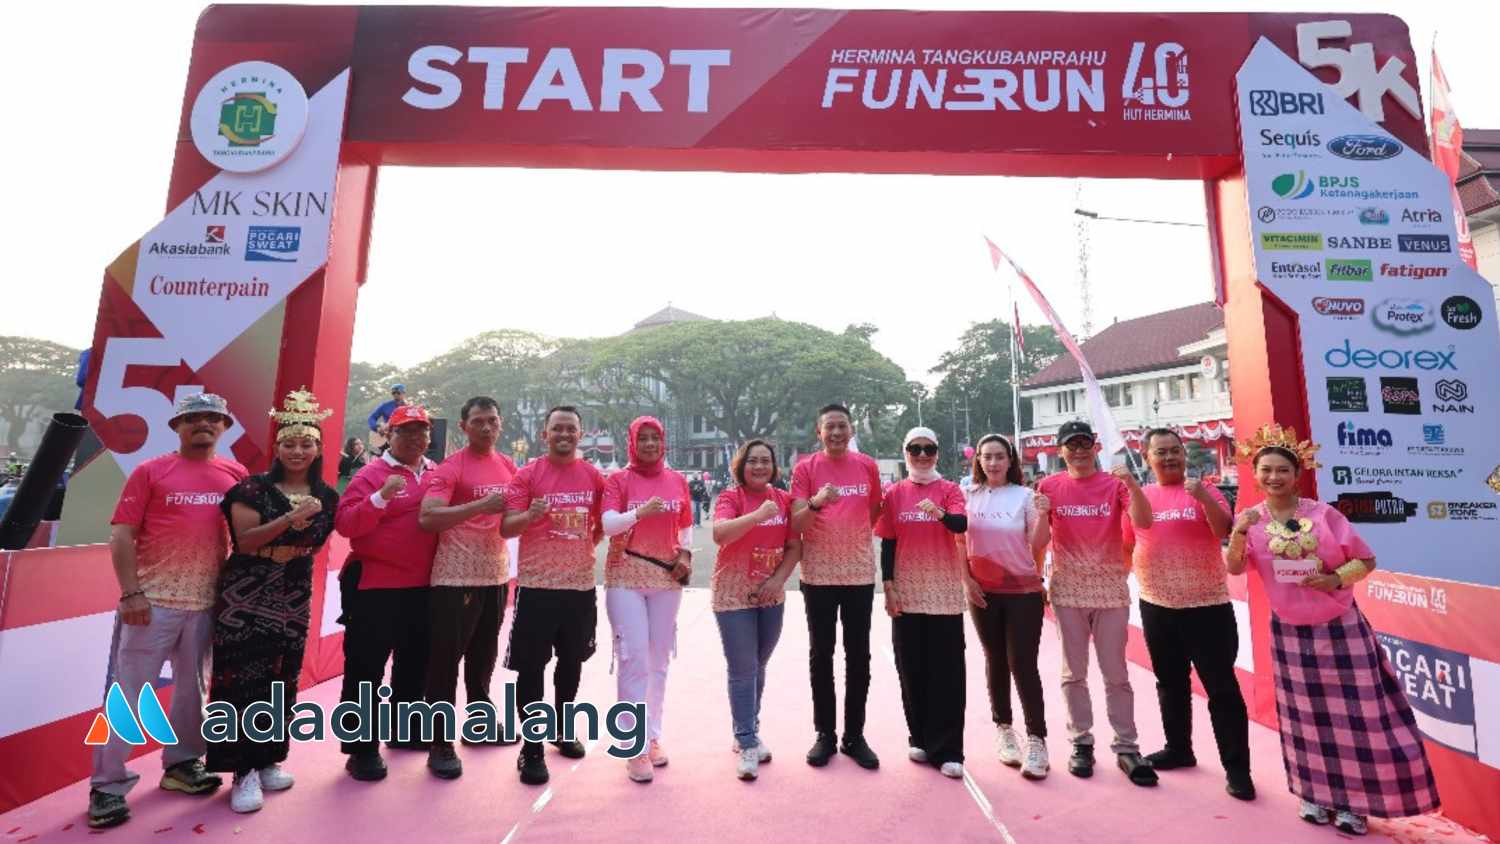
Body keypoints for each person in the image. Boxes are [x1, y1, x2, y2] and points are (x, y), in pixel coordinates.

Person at [1225, 425, 1438, 836]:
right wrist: (1238, 530)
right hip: (1290, 633)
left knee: (1359, 717)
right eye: (1266, 470)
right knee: (1304, 719)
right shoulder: (1250, 521)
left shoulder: (1323, 515)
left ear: (1297, 475)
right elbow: (1234, 568)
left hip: (1341, 628)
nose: (1274, 477)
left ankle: (1356, 804)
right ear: (1256, 474)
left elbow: (1366, 560)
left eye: (1282, 470)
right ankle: (1315, 795)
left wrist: (1335, 579)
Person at [87, 394, 247, 829]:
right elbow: (122, 536)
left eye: (213, 418)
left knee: (193, 691)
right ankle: (107, 784)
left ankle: (182, 764)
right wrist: (131, 594)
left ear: (224, 427)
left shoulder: (236, 475)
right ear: (177, 426)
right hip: (151, 604)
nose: (203, 425)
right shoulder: (150, 471)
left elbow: (244, 537)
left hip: (206, 604)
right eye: (193, 418)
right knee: (129, 694)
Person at [209, 389, 339, 813]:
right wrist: (289, 519)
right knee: (242, 679)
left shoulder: (327, 495)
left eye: (306, 444)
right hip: (247, 591)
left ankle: (268, 759)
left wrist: (291, 538)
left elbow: (315, 544)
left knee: (283, 676)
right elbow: (245, 541)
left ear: (318, 448)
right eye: (290, 444)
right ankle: (241, 770)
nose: (298, 451)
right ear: (277, 448)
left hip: (294, 590)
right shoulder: (251, 489)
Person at [1123, 428, 1253, 801]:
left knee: (1222, 689)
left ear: (1183, 453)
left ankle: (1238, 770)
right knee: (1169, 681)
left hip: (1207, 606)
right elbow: (1129, 540)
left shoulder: (1205, 489)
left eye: (1174, 450)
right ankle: (1179, 748)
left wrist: (1204, 498)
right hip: (1156, 605)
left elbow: (1224, 530)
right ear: (1147, 457)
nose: (1169, 457)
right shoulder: (1142, 495)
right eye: (1160, 452)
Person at [1035, 420, 1158, 786]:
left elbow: (1144, 521)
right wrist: (1041, 513)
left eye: (1084, 443)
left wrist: (1133, 485)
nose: (1078, 451)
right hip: (1068, 591)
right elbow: (1038, 542)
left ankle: (1127, 746)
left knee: (1115, 673)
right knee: (1073, 672)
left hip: (1110, 590)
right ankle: (1081, 742)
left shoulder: (1114, 485)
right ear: (1060, 451)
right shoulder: (1049, 486)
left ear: (1095, 447)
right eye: (1071, 445)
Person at [502, 406, 606, 786]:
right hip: (536, 587)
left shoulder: (593, 476)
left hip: (579, 587)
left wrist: (580, 550)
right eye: (557, 429)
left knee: (571, 661)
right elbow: (506, 528)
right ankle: (531, 749)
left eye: (570, 429)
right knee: (532, 667)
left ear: (581, 434)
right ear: (544, 434)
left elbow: (600, 526)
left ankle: (562, 729)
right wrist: (530, 516)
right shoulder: (528, 475)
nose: (564, 434)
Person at [334, 403, 439, 782]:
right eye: (404, 430)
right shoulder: (370, 474)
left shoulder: (436, 474)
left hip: (424, 587)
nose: (414, 438)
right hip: (375, 588)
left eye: (421, 430)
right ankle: (360, 749)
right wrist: (380, 497)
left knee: (415, 663)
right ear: (389, 436)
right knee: (365, 670)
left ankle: (405, 730)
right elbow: (346, 525)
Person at [417, 397, 518, 780]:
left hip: (495, 574)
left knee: (483, 656)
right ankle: (439, 743)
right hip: (455, 576)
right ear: (463, 426)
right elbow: (428, 517)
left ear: (500, 423)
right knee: (445, 662)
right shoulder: (451, 467)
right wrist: (478, 506)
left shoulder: (507, 464)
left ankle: (479, 723)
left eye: (492, 420)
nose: (486, 427)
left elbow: (513, 514)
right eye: (478, 421)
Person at [600, 416, 694, 783]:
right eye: (644, 438)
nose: (650, 444)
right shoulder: (618, 480)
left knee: (658, 661)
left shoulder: (677, 480)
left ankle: (652, 735)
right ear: (632, 442)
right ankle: (632, 745)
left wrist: (686, 556)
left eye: (656, 437)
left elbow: (685, 527)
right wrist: (639, 512)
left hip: (666, 579)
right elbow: (608, 524)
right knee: (634, 659)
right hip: (625, 577)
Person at [790, 403, 883, 769]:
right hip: (818, 574)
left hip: (859, 573)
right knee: (821, 654)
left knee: (859, 655)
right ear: (819, 432)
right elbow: (797, 523)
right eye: (829, 426)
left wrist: (851, 539)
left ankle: (854, 735)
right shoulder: (805, 468)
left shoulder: (867, 466)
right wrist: (817, 503)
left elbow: (873, 512)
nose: (836, 432)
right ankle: (825, 734)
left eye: (842, 426)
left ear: (851, 430)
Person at [879, 428, 969, 779]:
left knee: (947, 671)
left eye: (928, 449)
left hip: (943, 593)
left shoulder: (949, 490)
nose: (921, 455)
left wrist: (940, 514)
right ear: (905, 453)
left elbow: (960, 524)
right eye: (914, 449)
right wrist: (889, 586)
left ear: (937, 453)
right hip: (907, 591)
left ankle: (948, 749)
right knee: (910, 667)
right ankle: (919, 736)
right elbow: (888, 542)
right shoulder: (894, 494)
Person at [712, 439, 803, 780]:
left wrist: (778, 581)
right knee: (743, 668)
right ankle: (747, 741)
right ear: (742, 465)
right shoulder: (731, 497)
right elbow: (720, 534)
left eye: (766, 461)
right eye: (753, 461)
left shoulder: (784, 500)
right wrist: (757, 516)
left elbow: (794, 547)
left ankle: (749, 728)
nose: (760, 466)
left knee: (758, 665)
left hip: (770, 595)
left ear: (774, 467)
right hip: (733, 594)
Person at [963, 434, 1050, 780]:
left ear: (1010, 460)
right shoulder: (968, 495)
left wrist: (1044, 515)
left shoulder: (1025, 496)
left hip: (1023, 590)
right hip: (983, 592)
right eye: (987, 457)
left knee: (1022, 663)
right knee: (995, 659)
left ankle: (1037, 740)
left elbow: (1038, 542)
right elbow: (959, 542)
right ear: (979, 460)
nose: (993, 463)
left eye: (1000, 456)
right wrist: (966, 581)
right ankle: (1004, 731)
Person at [367, 384, 408, 453]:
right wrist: (377, 428)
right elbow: (371, 418)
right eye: (393, 393)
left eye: (398, 393)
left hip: (403, 438)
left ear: (404, 393)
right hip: (387, 439)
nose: (396, 395)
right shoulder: (385, 405)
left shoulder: (409, 407)